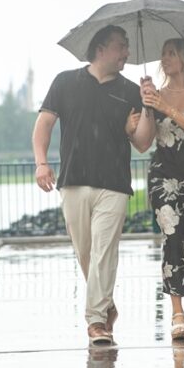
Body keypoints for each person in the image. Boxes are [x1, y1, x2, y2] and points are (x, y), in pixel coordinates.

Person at [32, 25, 143, 346]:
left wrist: (142, 113)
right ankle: (106, 305)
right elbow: (44, 124)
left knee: (104, 252)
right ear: (100, 49)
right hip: (73, 181)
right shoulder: (65, 82)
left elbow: (142, 144)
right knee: (86, 253)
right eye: (121, 46)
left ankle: (96, 322)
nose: (126, 53)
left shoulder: (131, 90)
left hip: (115, 183)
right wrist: (41, 163)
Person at [132, 38, 184, 340]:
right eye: (163, 53)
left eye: (171, 53)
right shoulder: (155, 96)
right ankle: (177, 312)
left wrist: (167, 107)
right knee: (172, 237)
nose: (164, 58)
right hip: (163, 175)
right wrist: (146, 106)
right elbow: (142, 143)